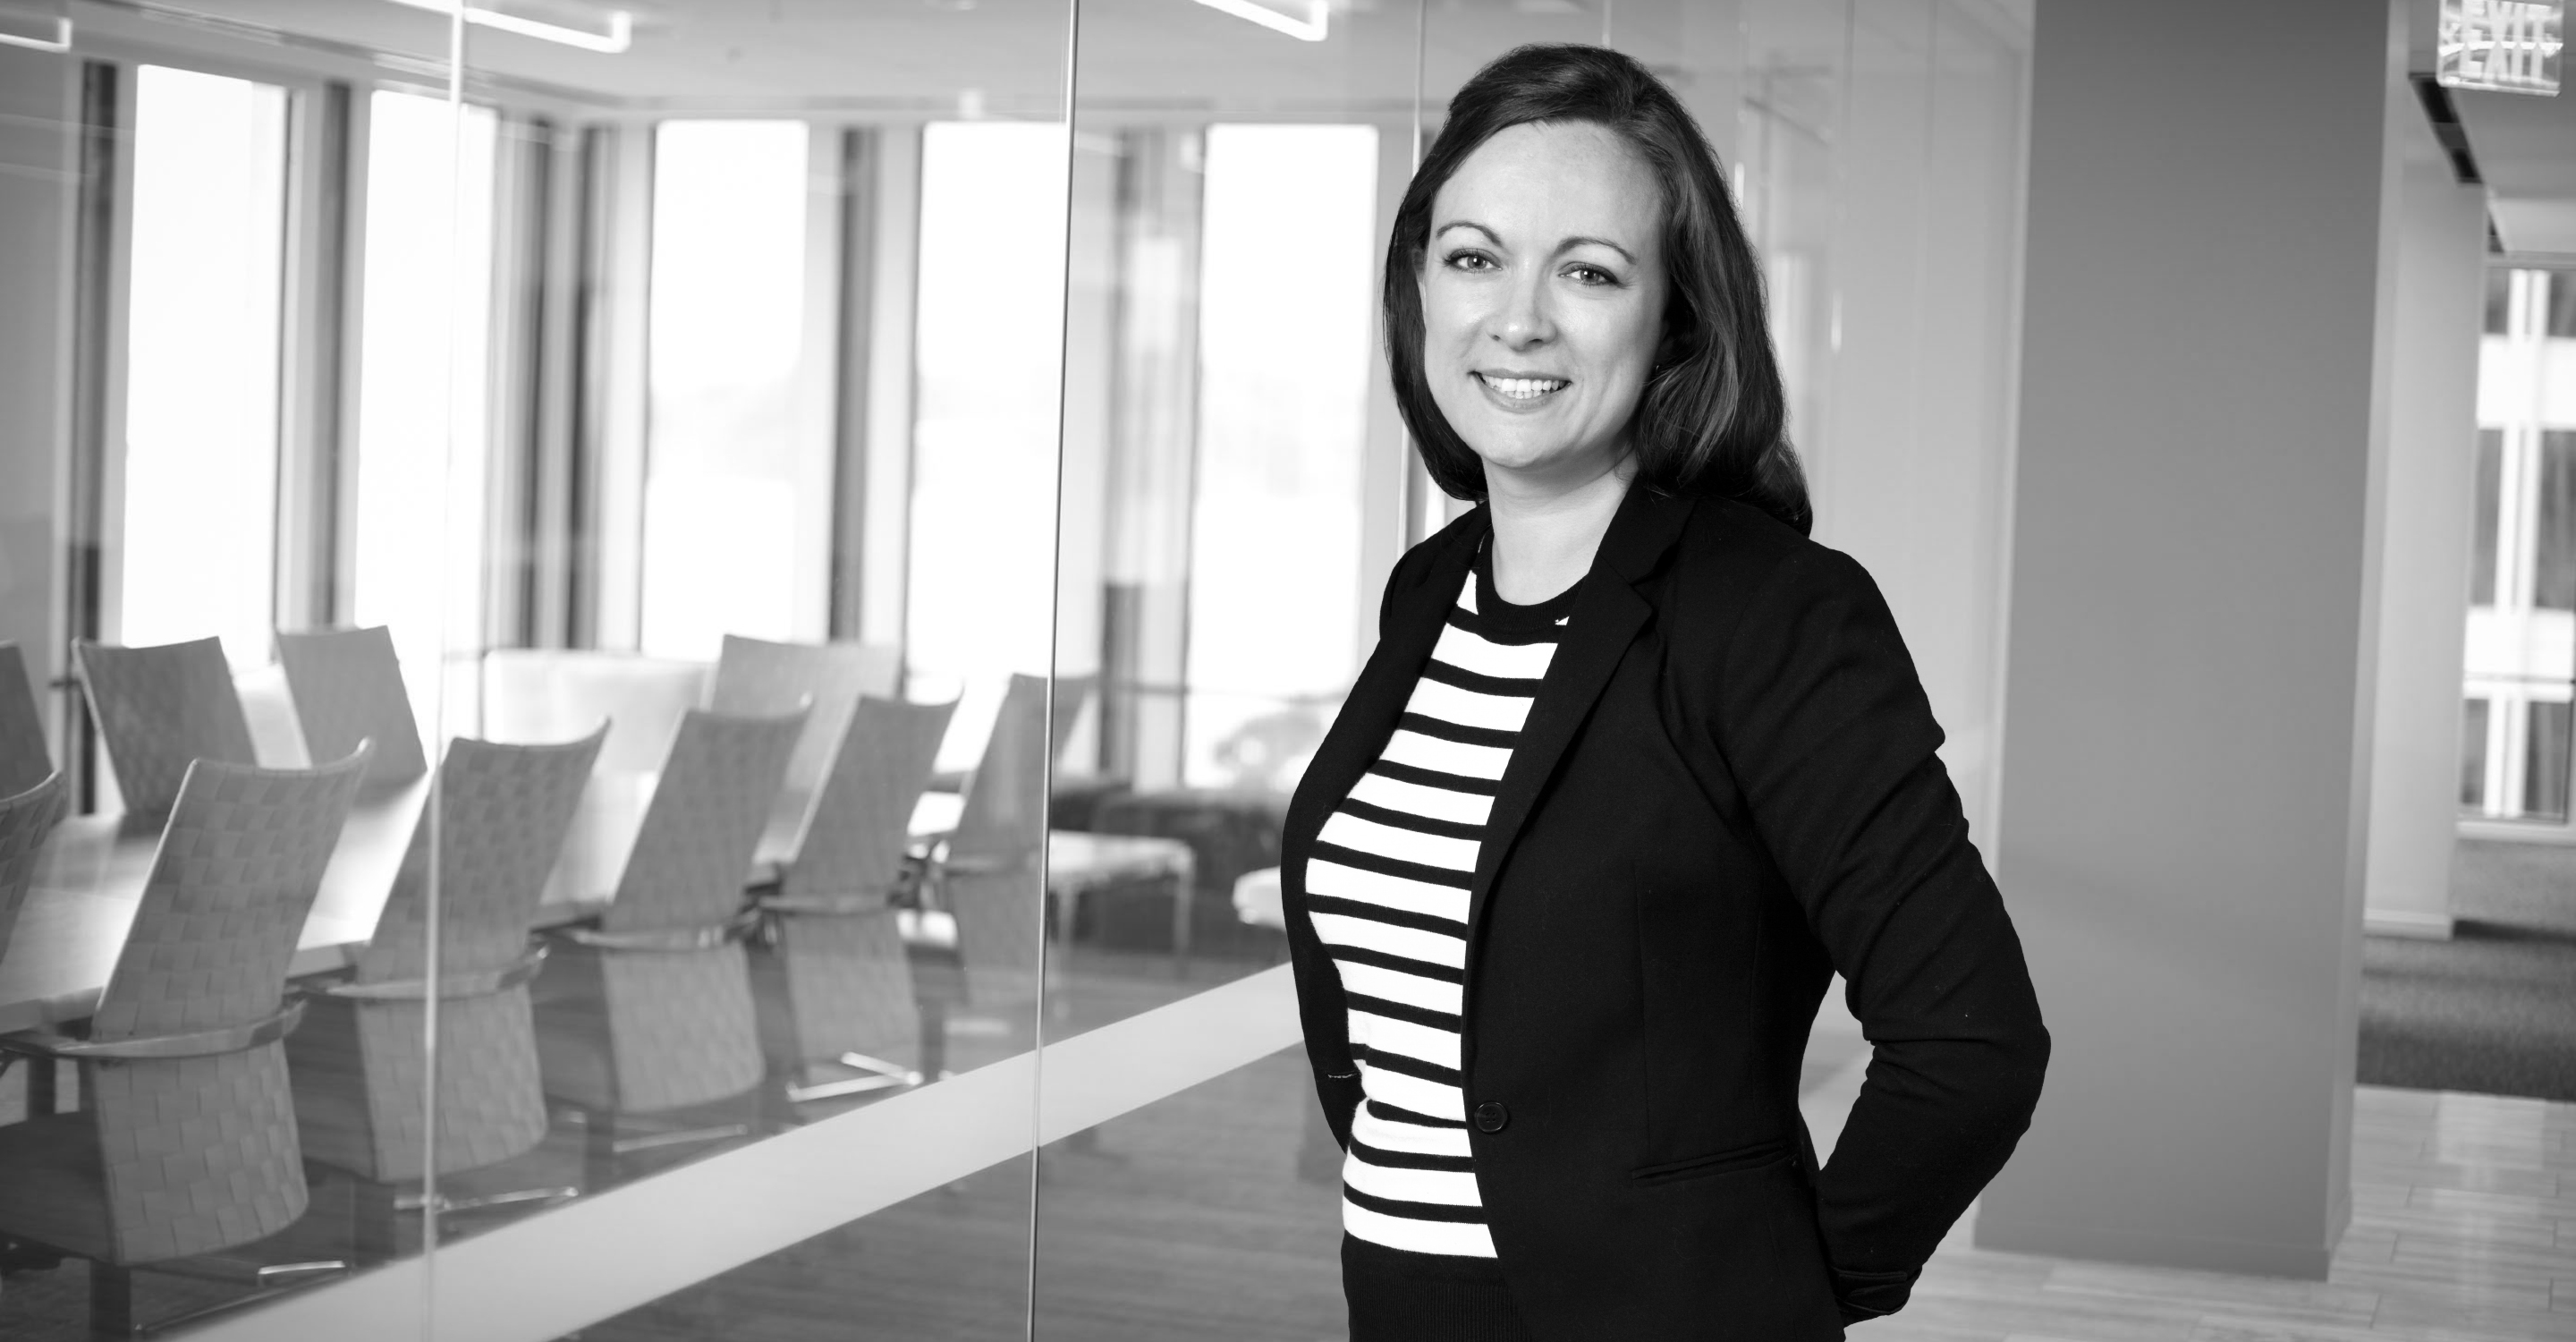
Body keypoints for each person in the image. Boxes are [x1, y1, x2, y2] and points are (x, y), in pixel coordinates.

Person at [1276, 43, 2050, 1340]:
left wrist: (1788, 1295)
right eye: (1473, 258)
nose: (1518, 318)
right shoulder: (1428, 591)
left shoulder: (1769, 612)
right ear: (1417, 289)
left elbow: (1972, 1043)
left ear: (1677, 319)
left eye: (1588, 271)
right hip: (1403, 1300)